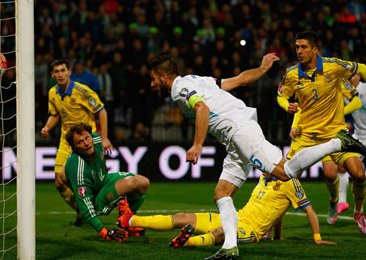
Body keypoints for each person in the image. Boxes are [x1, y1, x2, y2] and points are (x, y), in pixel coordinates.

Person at [147, 52, 366, 260]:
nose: (152, 84)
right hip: (234, 136)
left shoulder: (179, 88)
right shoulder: (197, 80)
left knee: (284, 172)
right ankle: (229, 248)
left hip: (240, 131)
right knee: (222, 193)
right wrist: (262, 68)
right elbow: (239, 81)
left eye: (153, 78)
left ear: (164, 76)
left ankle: (337, 143)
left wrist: (197, 145)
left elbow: (202, 109)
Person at [277, 31, 366, 234]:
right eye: (297, 47)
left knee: (359, 175)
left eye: (304, 47)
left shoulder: (333, 68)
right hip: (306, 136)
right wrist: (286, 106)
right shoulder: (292, 74)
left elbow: (359, 70)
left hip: (335, 133)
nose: (299, 51)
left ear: (314, 49)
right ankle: (271, 221)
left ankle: (359, 212)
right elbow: (281, 96)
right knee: (283, 177)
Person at [117, 174, 336, 247]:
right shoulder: (263, 178)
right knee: (184, 217)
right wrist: (277, 237)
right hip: (236, 216)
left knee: (222, 233)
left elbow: (309, 210)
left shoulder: (290, 182)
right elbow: (279, 211)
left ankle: (187, 241)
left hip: (251, 231)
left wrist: (317, 238)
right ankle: (131, 221)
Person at [41, 59, 113, 226]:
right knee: (59, 182)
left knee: (89, 181)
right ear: (52, 74)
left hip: (86, 141)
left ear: (69, 72)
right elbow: (55, 115)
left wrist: (104, 138)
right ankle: (82, 211)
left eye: (63, 70)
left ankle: (96, 207)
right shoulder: (52, 93)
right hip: (67, 142)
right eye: (56, 71)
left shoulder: (83, 91)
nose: (60, 74)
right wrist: (47, 127)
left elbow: (102, 112)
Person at [288, 76, 362, 224]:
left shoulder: (337, 79)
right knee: (291, 176)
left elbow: (357, 102)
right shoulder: (306, 81)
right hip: (313, 134)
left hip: (334, 134)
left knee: (346, 174)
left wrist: (339, 113)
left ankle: (347, 207)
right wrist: (294, 125)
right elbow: (301, 107)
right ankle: (334, 202)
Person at [63, 123, 149, 241]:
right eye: (80, 142)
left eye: (87, 138)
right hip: (96, 198)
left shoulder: (96, 139)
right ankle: (126, 222)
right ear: (74, 147)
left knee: (144, 182)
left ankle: (126, 223)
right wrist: (105, 232)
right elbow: (85, 206)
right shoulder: (77, 166)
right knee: (131, 183)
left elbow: (102, 112)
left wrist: (105, 138)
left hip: (105, 180)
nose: (86, 143)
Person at [338, 74, 366, 215]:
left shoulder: (365, 89)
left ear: (359, 76)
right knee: (342, 166)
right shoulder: (346, 93)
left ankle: (358, 210)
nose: (349, 77)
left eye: (352, 74)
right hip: (359, 137)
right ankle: (342, 202)